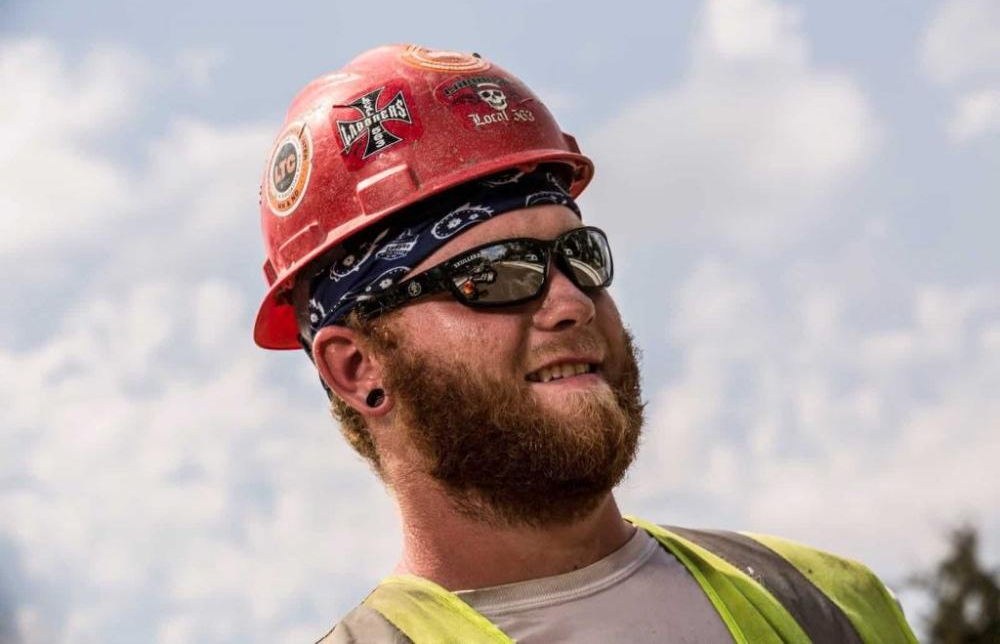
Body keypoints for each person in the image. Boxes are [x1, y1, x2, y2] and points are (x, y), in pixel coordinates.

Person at [253, 44, 917, 643]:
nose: (570, 301)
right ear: (358, 367)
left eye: (580, 255)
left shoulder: (829, 601)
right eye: (497, 272)